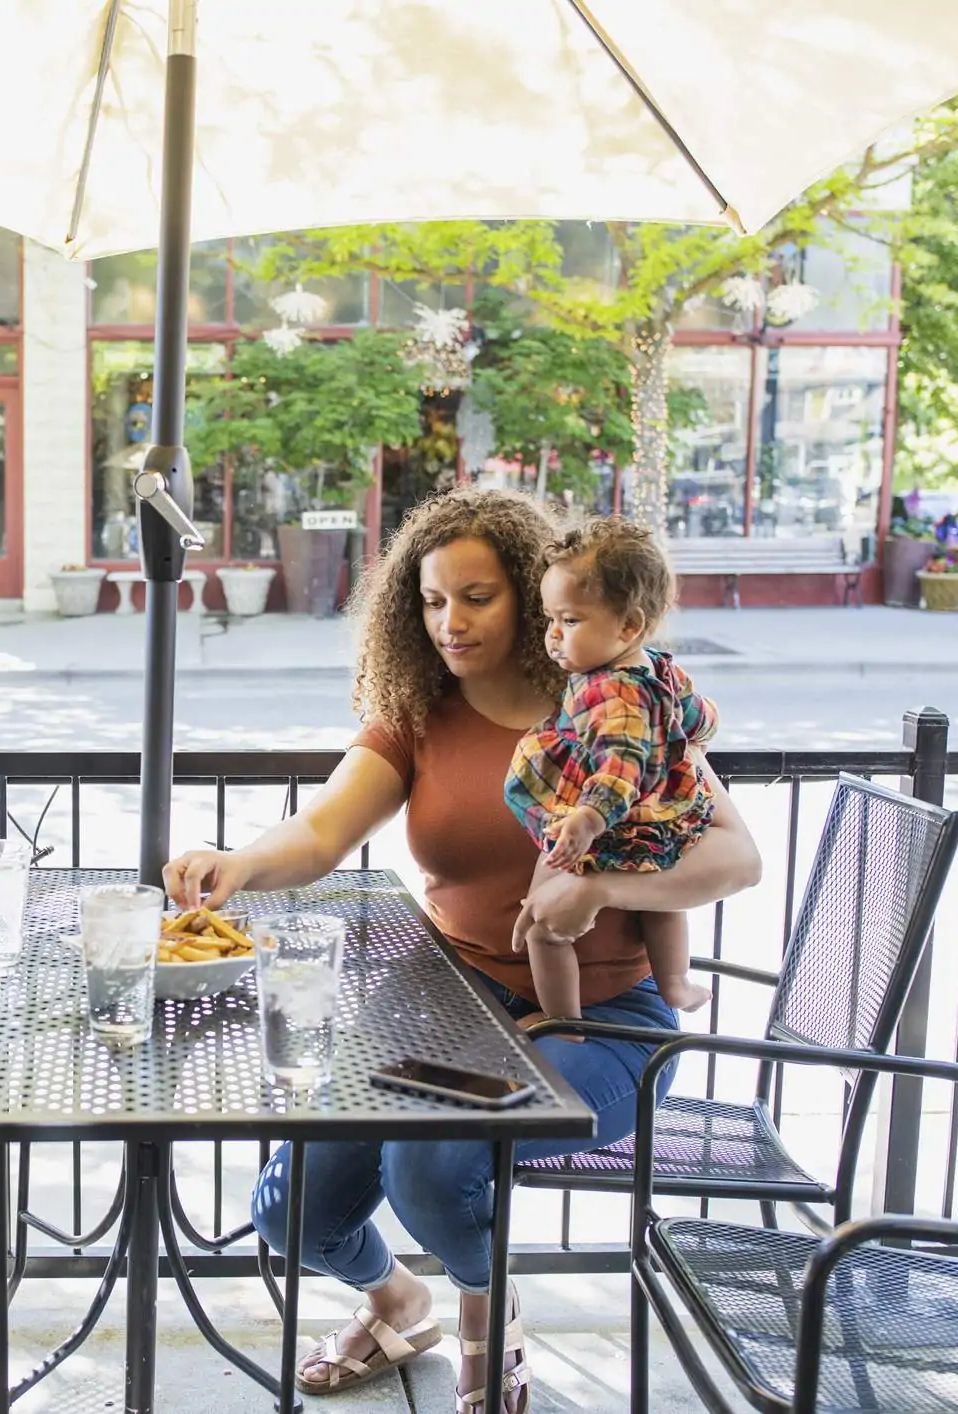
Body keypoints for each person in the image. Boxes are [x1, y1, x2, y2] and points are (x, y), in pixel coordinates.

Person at [162, 487, 762, 1413]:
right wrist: (235, 863)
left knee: (432, 1166)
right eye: (432, 601)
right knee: (293, 1209)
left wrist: (600, 884)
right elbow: (322, 832)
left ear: (532, 592)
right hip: (444, 1005)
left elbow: (735, 855)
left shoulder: (611, 704)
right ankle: (397, 1305)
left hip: (600, 1024)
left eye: (475, 597)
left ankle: (490, 1329)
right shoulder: (420, 712)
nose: (449, 622)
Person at [503, 516, 714, 1022]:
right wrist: (707, 722)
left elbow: (620, 763)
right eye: (550, 618)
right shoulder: (658, 667)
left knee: (542, 927)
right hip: (658, 819)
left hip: (596, 822)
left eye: (570, 621)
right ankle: (676, 984)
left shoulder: (611, 689)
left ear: (628, 626)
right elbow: (694, 714)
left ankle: (564, 1023)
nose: (553, 636)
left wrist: (588, 820)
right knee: (659, 899)